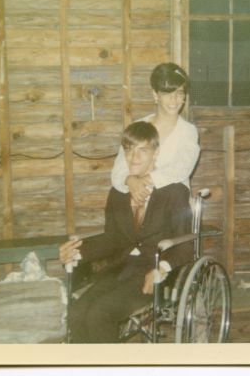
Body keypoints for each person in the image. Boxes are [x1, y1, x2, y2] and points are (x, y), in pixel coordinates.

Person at [59, 121, 193, 343]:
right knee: (76, 312)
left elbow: (185, 245)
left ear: (156, 153)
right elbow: (111, 238)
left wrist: (163, 268)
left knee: (99, 314)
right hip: (119, 269)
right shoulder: (118, 193)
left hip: (154, 273)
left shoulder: (175, 192)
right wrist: (77, 252)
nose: (134, 157)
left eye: (143, 150)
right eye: (129, 149)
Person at [111, 63, 200, 205]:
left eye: (179, 93)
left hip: (171, 208)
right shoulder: (137, 127)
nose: (174, 100)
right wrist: (130, 181)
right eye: (167, 93)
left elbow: (181, 168)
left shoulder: (188, 131)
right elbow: (118, 170)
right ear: (155, 94)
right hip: (137, 205)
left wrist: (144, 181)